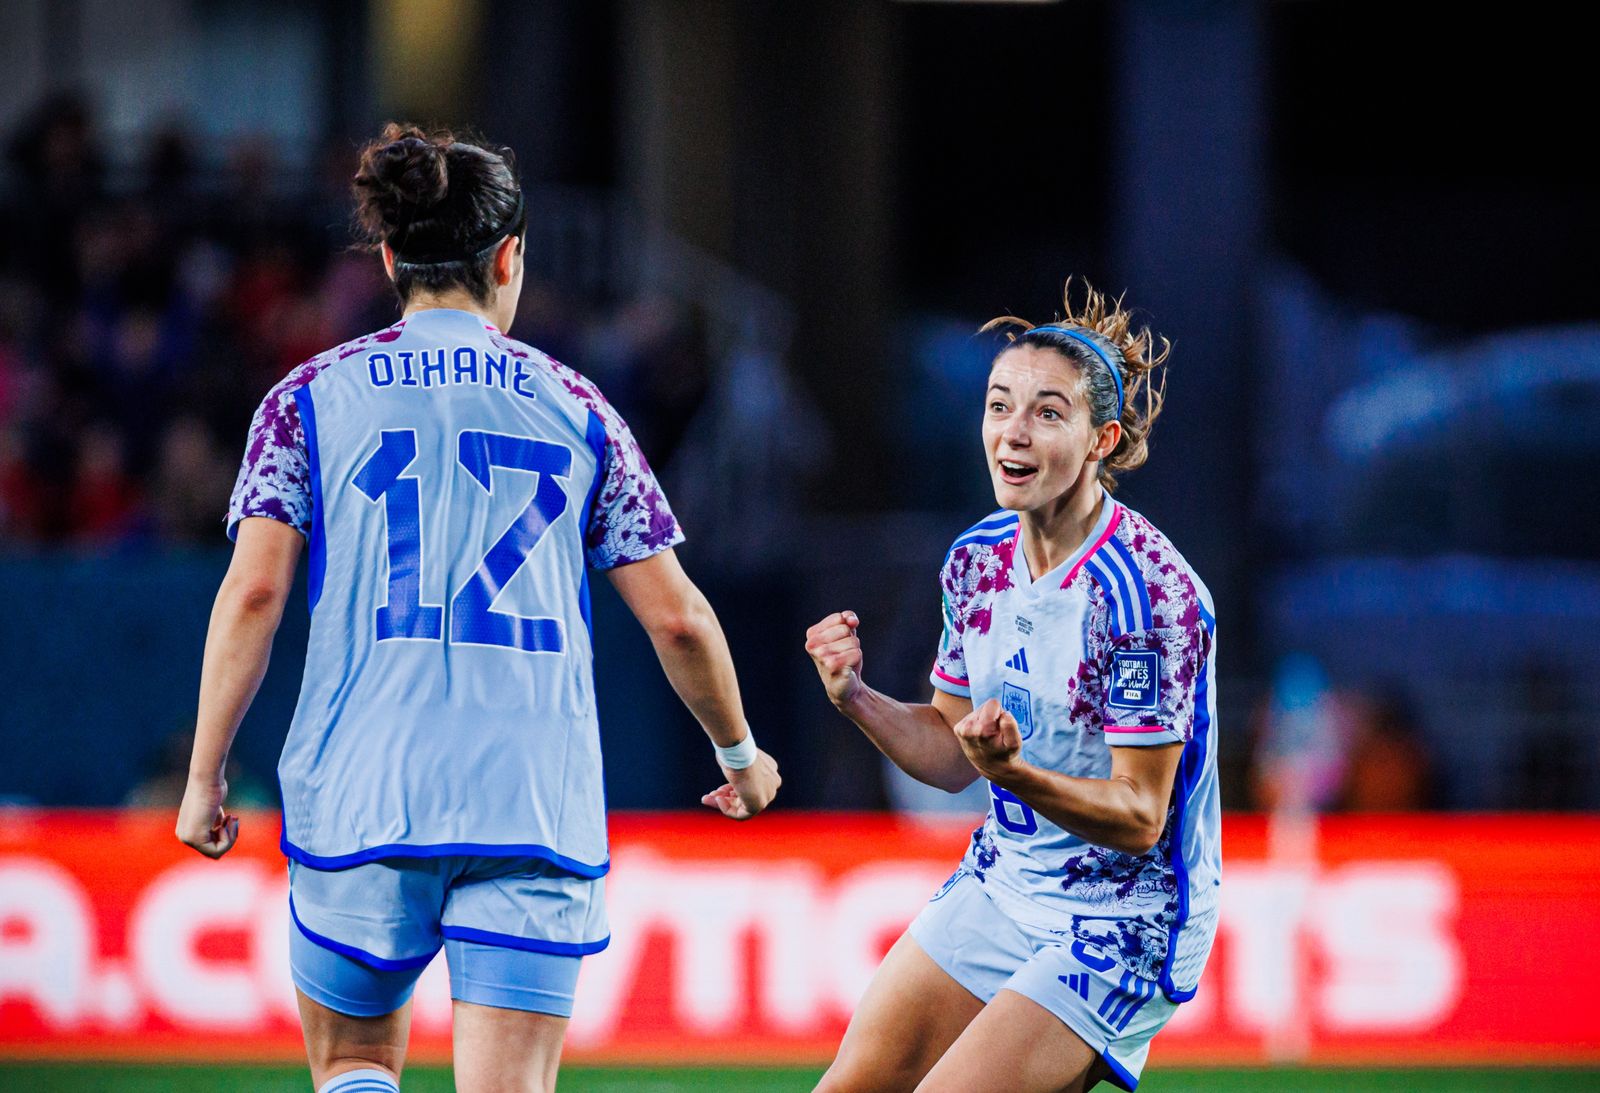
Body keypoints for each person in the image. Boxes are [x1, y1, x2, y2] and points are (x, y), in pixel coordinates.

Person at [175, 123, 780, 1093]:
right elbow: (678, 618)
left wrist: (206, 773)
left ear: (388, 258)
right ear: (508, 259)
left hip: (363, 795)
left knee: (357, 1064)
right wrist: (740, 756)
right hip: (530, 806)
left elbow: (253, 591)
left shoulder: (307, 399)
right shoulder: (580, 408)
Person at [806, 282, 1218, 1093]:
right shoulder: (978, 559)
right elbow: (949, 751)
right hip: (1005, 882)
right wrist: (855, 695)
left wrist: (1014, 773)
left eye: (1047, 413)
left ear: (1101, 440)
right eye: (1000, 406)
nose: (1013, 432)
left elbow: (1141, 816)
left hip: (1122, 920)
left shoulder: (1144, 596)